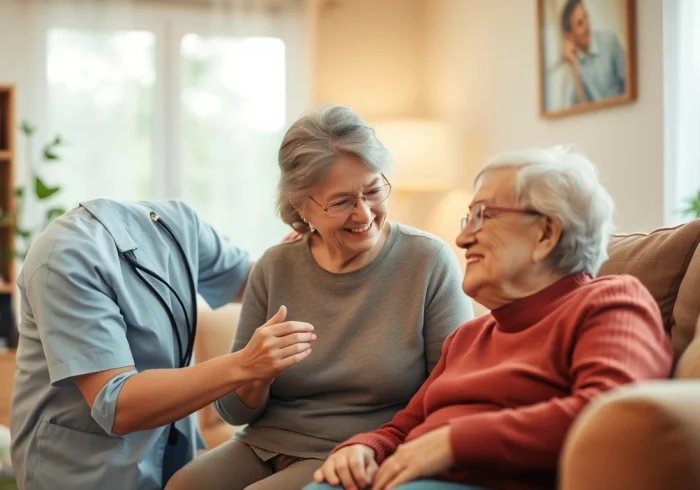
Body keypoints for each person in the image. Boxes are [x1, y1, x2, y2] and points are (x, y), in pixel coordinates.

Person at [307, 146, 674, 490]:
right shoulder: (468, 336)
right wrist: (364, 448)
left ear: (546, 233)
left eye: (483, 215)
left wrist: (455, 442)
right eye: (468, 218)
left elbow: (613, 416)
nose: (463, 238)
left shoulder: (608, 302)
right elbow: (402, 428)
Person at [165, 105, 474, 490]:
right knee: (182, 485)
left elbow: (454, 389)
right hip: (264, 442)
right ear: (301, 206)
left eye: (374, 190)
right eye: (341, 201)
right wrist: (257, 369)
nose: (363, 214)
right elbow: (233, 412)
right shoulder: (275, 266)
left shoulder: (427, 260)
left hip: (356, 451)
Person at [10, 199, 316, 490]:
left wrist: (300, 253)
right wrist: (245, 364)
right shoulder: (64, 260)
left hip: (165, 456)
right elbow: (116, 404)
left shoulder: (178, 226)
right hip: (79, 469)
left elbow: (252, 280)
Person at [561, 0, 627, 106]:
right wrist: (573, 67)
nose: (587, 25)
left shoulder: (610, 41)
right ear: (569, 35)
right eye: (580, 23)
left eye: (586, 16)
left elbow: (630, 85)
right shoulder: (574, 65)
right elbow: (577, 110)